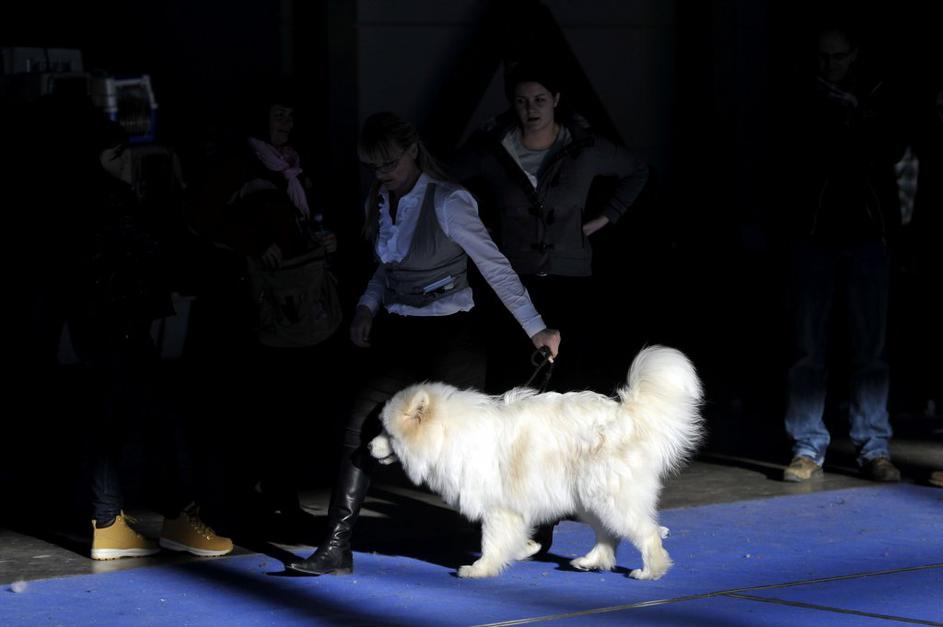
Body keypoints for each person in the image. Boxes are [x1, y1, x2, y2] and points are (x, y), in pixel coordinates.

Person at [285, 112, 560, 576]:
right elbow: (386, 267)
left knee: (472, 446)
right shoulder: (381, 200)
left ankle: (532, 519)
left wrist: (536, 328)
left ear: (412, 150)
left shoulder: (449, 202)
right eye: (374, 166)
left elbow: (494, 266)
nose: (382, 173)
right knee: (359, 429)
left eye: (389, 162)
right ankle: (336, 547)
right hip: (400, 336)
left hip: (453, 337)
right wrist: (367, 307)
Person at [72, 116, 233, 559]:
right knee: (161, 421)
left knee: (109, 427)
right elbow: (153, 256)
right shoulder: (115, 200)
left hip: (94, 327)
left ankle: (109, 525)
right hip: (123, 325)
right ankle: (178, 519)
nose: (125, 162)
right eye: (116, 154)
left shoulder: (72, 201)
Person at [452, 60, 649, 395]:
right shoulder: (494, 149)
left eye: (539, 100)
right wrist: (475, 225)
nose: (531, 109)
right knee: (515, 374)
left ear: (555, 99)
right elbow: (444, 176)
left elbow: (637, 170)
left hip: (571, 278)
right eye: (522, 101)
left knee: (571, 375)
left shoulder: (584, 147)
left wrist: (607, 216)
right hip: (515, 276)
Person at [200, 88, 343, 540]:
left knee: (289, 409)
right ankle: (250, 503)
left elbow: (301, 224)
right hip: (254, 305)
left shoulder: (291, 167)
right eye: (278, 114)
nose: (286, 122)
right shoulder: (239, 165)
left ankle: (281, 500)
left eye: (291, 115)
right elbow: (203, 216)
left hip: (295, 302)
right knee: (261, 407)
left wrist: (322, 241)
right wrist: (253, 244)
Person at [777, 25, 906, 483]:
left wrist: (857, 113)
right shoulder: (801, 96)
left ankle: (874, 447)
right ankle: (807, 446)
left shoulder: (877, 95)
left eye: (838, 56)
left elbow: (893, 148)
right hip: (813, 237)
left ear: (855, 55)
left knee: (870, 351)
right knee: (808, 349)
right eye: (823, 57)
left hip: (868, 236)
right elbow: (788, 157)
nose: (829, 65)